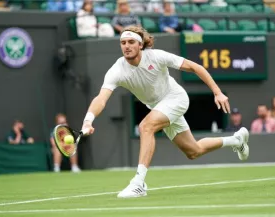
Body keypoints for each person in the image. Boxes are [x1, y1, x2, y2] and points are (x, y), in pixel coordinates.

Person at [80, 26, 249, 198]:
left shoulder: (157, 56)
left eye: (131, 42)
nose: (126, 46)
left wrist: (217, 92)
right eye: (123, 42)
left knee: (146, 126)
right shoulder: (117, 70)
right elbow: (101, 98)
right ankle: (236, 140)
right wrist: (88, 120)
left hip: (176, 98)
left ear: (140, 45)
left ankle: (138, 183)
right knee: (193, 151)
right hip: (158, 106)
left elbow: (195, 67)